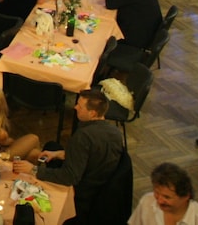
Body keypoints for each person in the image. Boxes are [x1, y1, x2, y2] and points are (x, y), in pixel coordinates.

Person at [12, 89, 123, 219]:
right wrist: (59, 154)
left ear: (92, 113)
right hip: (101, 183)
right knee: (52, 146)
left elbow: (69, 177)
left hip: (82, 191)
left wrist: (33, 169)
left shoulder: (83, 136)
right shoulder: (115, 132)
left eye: (80, 106)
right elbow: (93, 155)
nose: (75, 107)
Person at [129, 162, 198, 225]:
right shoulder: (147, 202)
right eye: (157, 193)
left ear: (185, 196)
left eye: (166, 197)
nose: (159, 201)